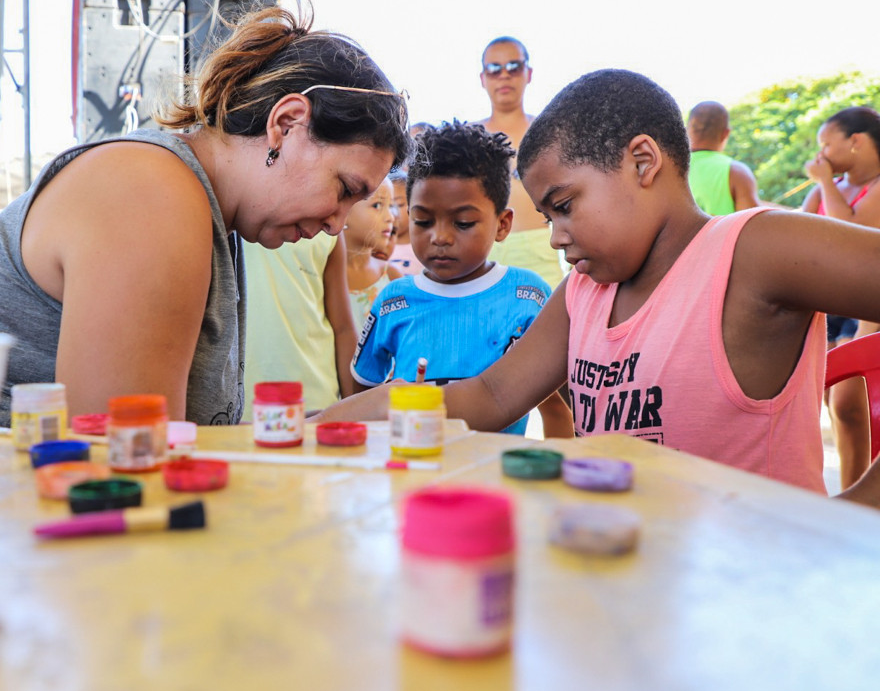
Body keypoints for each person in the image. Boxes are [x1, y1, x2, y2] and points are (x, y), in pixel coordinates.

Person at [315, 68, 880, 503]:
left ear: (642, 161)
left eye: (564, 207)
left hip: (756, 607)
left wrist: (857, 506)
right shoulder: (584, 294)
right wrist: (321, 424)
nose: (557, 238)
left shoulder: (755, 252)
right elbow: (486, 396)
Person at [0, 2, 411, 426]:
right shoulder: (150, 192)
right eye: (345, 189)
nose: (337, 224)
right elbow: (125, 455)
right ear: (286, 124)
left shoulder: (202, 210)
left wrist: (332, 421)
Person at [350, 121, 573, 437]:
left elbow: (556, 409)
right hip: (411, 474)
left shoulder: (529, 295)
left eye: (463, 223)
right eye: (423, 221)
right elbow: (362, 397)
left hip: (497, 480)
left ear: (502, 224)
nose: (440, 237)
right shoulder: (392, 300)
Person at [801, 106, 880, 489]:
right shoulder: (825, 186)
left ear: (856, 141)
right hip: (826, 305)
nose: (821, 155)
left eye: (826, 144)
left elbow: (850, 235)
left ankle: (859, 496)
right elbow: (799, 230)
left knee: (850, 400)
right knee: (833, 403)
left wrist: (825, 183)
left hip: (866, 306)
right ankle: (850, 493)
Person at [473, 37, 565, 290]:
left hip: (544, 252)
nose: (504, 75)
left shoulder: (550, 132)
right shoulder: (468, 137)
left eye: (513, 66)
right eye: (494, 68)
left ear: (529, 73)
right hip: (480, 253)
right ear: (483, 77)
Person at [241, 232, 357, 420]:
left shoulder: (330, 231)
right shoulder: (220, 214)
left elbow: (343, 328)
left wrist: (353, 409)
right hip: (239, 403)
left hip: (314, 402)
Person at [686, 101, 763, 214]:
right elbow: (754, 227)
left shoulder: (666, 168)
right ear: (725, 134)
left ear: (686, 129)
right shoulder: (737, 173)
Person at [345, 177, 402, 329]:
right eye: (377, 205)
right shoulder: (321, 273)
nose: (390, 217)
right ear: (343, 210)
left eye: (391, 207)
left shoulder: (392, 277)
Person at [386, 169, 423, 275]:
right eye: (382, 206)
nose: (391, 213)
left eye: (399, 204)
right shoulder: (375, 248)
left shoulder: (422, 248)